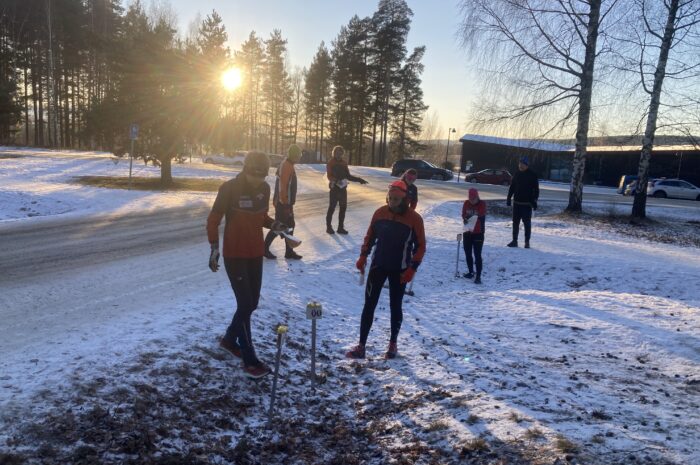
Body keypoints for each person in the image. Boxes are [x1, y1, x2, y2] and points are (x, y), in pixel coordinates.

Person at [206, 151, 287, 379]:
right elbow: (213, 220)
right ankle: (249, 358)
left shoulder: (265, 189)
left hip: (255, 253)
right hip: (234, 254)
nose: (258, 181)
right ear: (246, 170)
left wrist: (275, 224)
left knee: (251, 304)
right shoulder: (229, 188)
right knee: (244, 304)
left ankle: (230, 339)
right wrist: (214, 248)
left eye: (262, 177)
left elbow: (260, 217)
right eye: (254, 176)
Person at [346, 180, 426, 360]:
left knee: (395, 306)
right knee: (369, 305)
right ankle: (361, 346)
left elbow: (420, 246)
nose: (392, 202)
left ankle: (393, 344)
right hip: (378, 265)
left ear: (404, 199)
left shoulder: (414, 219)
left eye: (396, 199)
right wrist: (363, 256)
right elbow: (370, 236)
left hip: (400, 269)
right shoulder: (380, 213)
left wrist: (412, 268)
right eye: (390, 198)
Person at [264, 144, 302, 260]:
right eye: (298, 155)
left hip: (286, 203)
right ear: (293, 155)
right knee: (279, 226)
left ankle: (289, 251)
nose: (299, 157)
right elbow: (282, 186)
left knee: (290, 226)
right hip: (283, 203)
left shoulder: (289, 164)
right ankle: (264, 249)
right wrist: (285, 203)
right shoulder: (286, 166)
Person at [326, 145, 368, 234]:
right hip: (334, 188)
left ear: (342, 154)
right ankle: (329, 227)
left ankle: (340, 228)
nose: (338, 155)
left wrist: (359, 180)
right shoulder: (330, 162)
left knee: (343, 208)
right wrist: (336, 181)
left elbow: (348, 176)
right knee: (332, 208)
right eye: (337, 153)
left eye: (340, 153)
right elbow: (329, 176)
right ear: (334, 153)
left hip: (342, 189)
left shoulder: (344, 163)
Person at [506, 155, 539, 248]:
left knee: (527, 224)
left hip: (527, 204)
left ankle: (527, 242)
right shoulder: (516, 174)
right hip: (516, 203)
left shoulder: (533, 175)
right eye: (519, 163)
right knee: (515, 223)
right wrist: (509, 198)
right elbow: (512, 187)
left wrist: (534, 201)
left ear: (527, 165)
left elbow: (536, 190)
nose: (520, 165)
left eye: (522, 164)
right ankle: (514, 241)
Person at [462, 188, 486, 284]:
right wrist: (465, 218)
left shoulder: (482, 204)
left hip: (478, 233)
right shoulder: (466, 203)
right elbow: (463, 214)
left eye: (473, 198)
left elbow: (481, 214)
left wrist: (469, 217)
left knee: (477, 254)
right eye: (470, 198)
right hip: (467, 231)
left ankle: (478, 276)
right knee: (468, 253)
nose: (471, 200)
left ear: (477, 197)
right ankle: (471, 272)